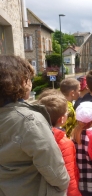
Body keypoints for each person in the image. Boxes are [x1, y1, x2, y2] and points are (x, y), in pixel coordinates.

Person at [0, 55, 69, 196]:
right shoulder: (29, 121)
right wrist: (62, 186)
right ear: (19, 82)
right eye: (28, 79)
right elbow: (55, 171)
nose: (31, 83)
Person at [38, 92, 81, 196]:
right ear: (62, 119)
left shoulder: (35, 136)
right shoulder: (64, 142)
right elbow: (68, 174)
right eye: (67, 112)